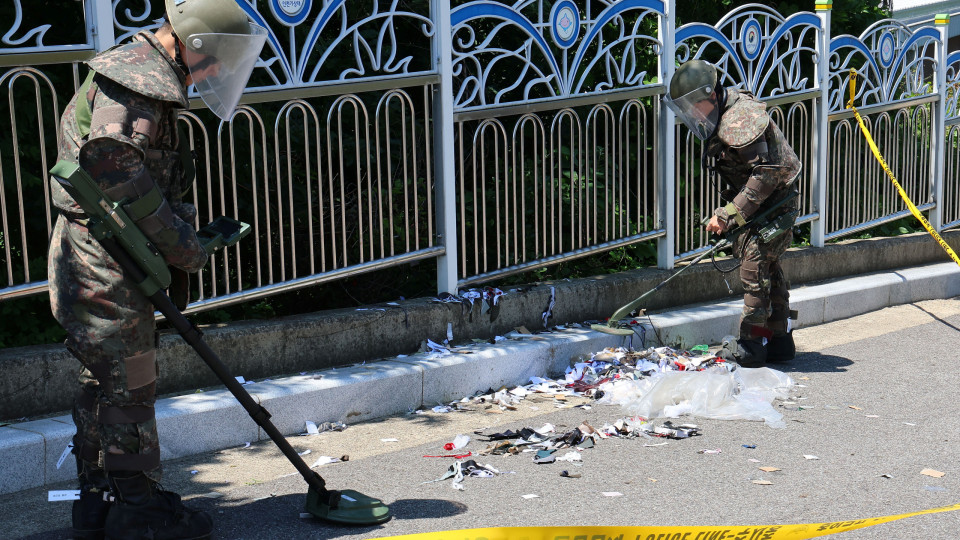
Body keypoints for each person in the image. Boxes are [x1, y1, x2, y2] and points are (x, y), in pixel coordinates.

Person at [48, 1, 266, 538]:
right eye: (214, 59)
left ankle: (99, 503)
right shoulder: (137, 85)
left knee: (105, 382)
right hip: (105, 262)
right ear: (191, 45)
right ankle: (139, 512)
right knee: (129, 388)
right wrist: (182, 245)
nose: (215, 72)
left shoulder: (142, 77)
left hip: (104, 256)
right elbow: (110, 165)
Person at [665, 59, 801, 367]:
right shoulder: (723, 112)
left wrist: (728, 214)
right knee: (768, 270)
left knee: (754, 271)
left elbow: (766, 175)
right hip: (765, 203)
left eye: (693, 105)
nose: (692, 113)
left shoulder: (740, 118)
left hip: (775, 203)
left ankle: (751, 346)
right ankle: (780, 341)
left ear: (711, 95)